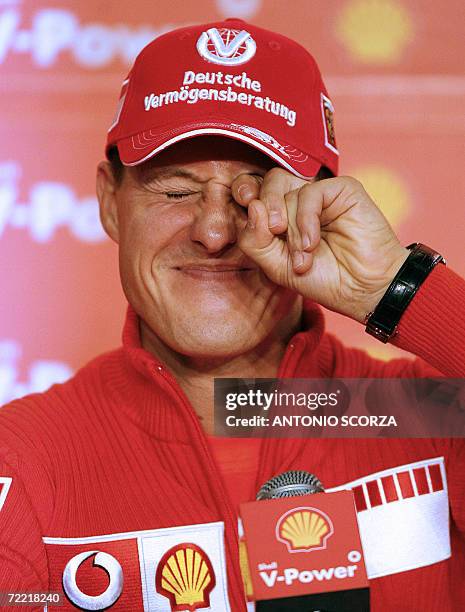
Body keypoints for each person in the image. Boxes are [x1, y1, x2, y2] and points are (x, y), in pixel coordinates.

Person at [0, 18, 464, 612]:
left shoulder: (424, 423)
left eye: (254, 193)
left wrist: (396, 288)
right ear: (109, 204)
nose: (215, 232)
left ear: (323, 206)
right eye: (175, 191)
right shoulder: (24, 461)